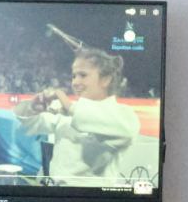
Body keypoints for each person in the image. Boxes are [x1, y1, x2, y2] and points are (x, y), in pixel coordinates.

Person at [15, 46, 140, 185]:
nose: (75, 82)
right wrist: (33, 108)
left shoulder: (123, 115)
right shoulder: (70, 111)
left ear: (105, 79)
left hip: (90, 197)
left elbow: (123, 129)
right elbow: (32, 124)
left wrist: (70, 107)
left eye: (83, 75)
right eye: (74, 76)